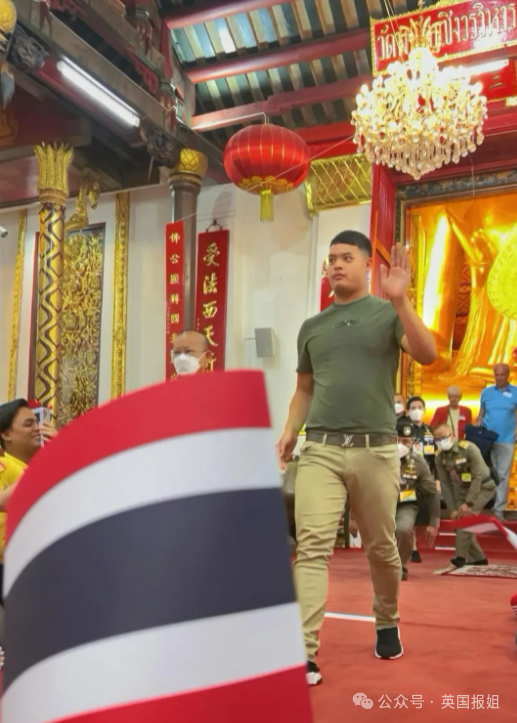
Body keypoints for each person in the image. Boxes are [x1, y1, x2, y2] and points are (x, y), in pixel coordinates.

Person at [277, 231, 436, 684]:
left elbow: (427, 354)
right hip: (320, 449)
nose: (336, 265)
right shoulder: (312, 327)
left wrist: (401, 301)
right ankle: (304, 652)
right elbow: (304, 389)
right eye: (331, 259)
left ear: (368, 266)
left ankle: (386, 619)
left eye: (347, 257)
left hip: (375, 450)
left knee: (381, 548)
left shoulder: (387, 314)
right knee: (312, 547)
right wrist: (289, 431)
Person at [0, 399, 57, 592]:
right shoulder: (3, 468)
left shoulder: (45, 466)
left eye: (37, 422)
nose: (38, 428)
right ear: (6, 434)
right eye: (28, 424)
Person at [434, 422, 496, 567]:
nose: (441, 442)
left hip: (484, 486)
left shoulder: (469, 449)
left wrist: (469, 503)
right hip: (462, 489)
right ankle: (479, 558)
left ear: (452, 435)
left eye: (443, 438)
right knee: (457, 520)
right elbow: (446, 484)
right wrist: (451, 509)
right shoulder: (439, 457)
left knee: (466, 519)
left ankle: (460, 557)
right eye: (437, 439)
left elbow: (477, 477)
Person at [393, 421, 440, 581]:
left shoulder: (419, 463)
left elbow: (432, 493)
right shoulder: (378, 459)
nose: (401, 445)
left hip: (406, 504)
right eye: (397, 440)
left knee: (404, 529)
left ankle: (400, 566)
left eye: (405, 441)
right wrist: (355, 517)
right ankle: (383, 564)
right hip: (381, 504)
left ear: (412, 442)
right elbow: (362, 485)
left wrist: (434, 523)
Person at [477, 363, 517, 519]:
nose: (499, 378)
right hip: (488, 440)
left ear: (508, 375)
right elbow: (481, 413)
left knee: (503, 475)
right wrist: (478, 421)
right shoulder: (486, 392)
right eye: (496, 375)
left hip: (507, 440)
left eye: (502, 375)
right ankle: (490, 505)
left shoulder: (515, 392)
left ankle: (499, 509)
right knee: (489, 474)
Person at [406, 395, 436, 563]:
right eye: (413, 408)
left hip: (425, 476)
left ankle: (413, 543)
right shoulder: (403, 428)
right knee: (409, 508)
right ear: (408, 411)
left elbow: (435, 456)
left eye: (419, 407)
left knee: (421, 514)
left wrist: (436, 479)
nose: (416, 411)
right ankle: (412, 548)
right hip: (407, 475)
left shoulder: (429, 431)